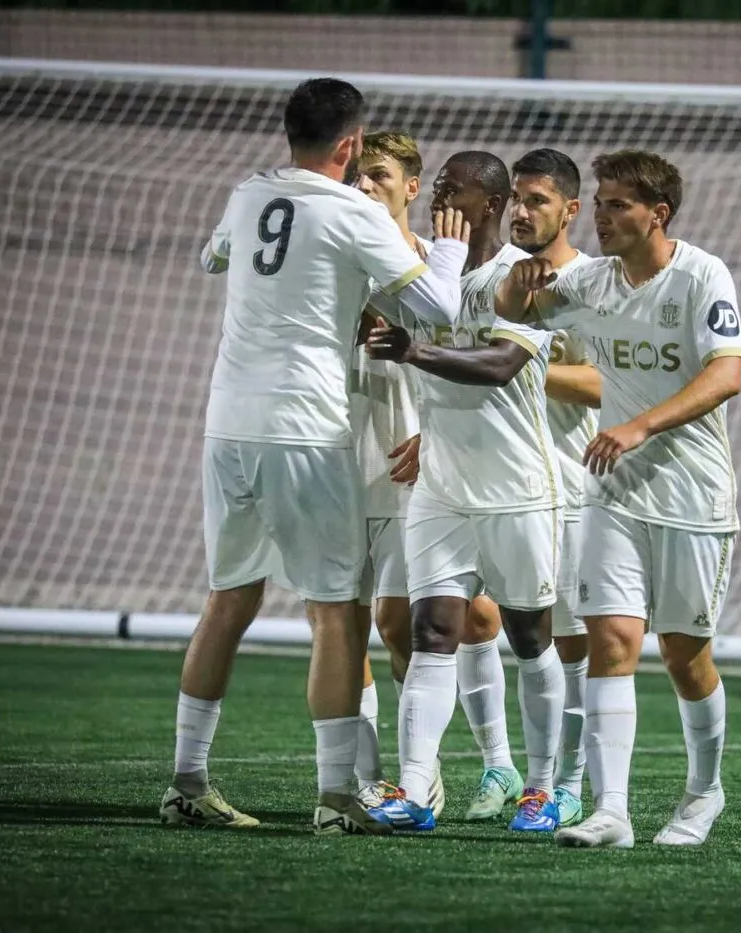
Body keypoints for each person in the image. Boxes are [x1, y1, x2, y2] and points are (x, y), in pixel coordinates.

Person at [158, 78, 468, 837]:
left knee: (229, 599)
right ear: (349, 146)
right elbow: (437, 310)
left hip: (228, 424)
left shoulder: (247, 193)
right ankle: (337, 799)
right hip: (306, 426)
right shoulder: (354, 211)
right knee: (337, 612)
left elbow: (212, 258)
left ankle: (187, 782)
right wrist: (451, 255)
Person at [495, 149, 741, 849]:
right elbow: (516, 311)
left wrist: (637, 423)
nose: (602, 217)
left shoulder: (702, 276)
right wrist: (519, 283)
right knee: (611, 642)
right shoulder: (591, 281)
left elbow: (727, 374)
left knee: (685, 654)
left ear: (657, 214)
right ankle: (611, 810)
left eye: (617, 205)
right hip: (611, 491)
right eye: (599, 204)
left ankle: (704, 793)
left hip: (693, 493)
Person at [364, 151, 565, 834]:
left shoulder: (523, 277)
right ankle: (415, 790)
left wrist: (413, 351)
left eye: (456, 190)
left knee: (531, 636)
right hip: (442, 489)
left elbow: (503, 365)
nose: (440, 198)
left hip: (516, 490)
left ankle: (541, 788)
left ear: (494, 204)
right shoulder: (428, 277)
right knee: (432, 633)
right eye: (438, 188)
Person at [350, 130, 505, 815]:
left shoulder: (439, 268)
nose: (363, 186)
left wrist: (434, 435)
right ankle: (374, 777)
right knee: (350, 622)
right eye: (356, 175)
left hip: (419, 462)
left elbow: (469, 365)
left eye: (379, 176)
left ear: (412, 189)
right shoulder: (332, 258)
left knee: (446, 618)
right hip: (344, 456)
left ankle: (480, 765)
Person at [456, 147, 601, 828]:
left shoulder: (595, 285)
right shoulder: (491, 277)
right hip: (492, 480)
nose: (522, 209)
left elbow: (609, 382)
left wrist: (524, 357)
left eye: (538, 200)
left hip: (572, 487)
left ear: (571, 210)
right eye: (516, 197)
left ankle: (565, 782)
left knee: (567, 641)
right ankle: (498, 763)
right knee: (473, 616)